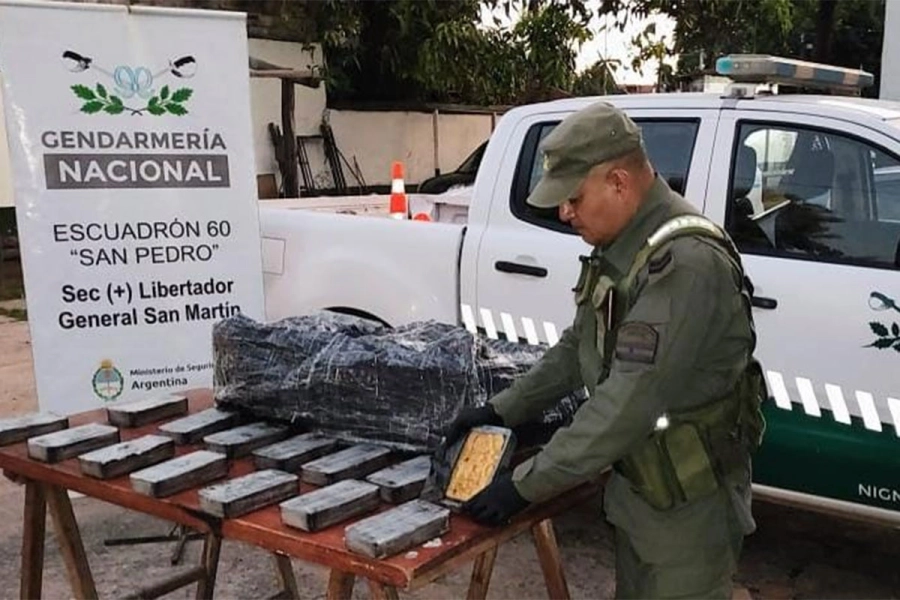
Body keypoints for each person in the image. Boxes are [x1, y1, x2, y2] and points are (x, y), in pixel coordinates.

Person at [444, 101, 767, 599]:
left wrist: (524, 485)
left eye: (573, 198)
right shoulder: (626, 245)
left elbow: (626, 405)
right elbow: (580, 346)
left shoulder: (685, 265)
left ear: (618, 182)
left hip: (688, 511)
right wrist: (503, 410)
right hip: (641, 493)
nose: (564, 212)